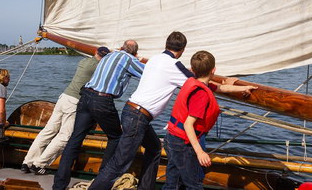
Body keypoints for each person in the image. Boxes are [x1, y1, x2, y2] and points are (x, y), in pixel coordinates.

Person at [89, 31, 195, 190]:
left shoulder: (154, 59)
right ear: (182, 50)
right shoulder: (174, 65)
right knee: (120, 163)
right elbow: (196, 83)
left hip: (132, 112)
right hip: (138, 117)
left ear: (166, 45)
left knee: (154, 148)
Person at [52, 40, 145, 190]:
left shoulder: (109, 55)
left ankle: (58, 185)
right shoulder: (129, 59)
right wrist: (137, 60)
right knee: (116, 137)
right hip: (102, 100)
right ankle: (102, 182)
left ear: (121, 48)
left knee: (75, 139)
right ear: (134, 53)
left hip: (86, 96)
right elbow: (147, 73)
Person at [162, 51, 257, 189]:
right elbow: (188, 124)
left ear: (193, 70)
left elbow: (221, 87)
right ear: (214, 70)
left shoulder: (193, 82)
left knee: (173, 181)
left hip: (172, 137)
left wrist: (243, 87)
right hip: (183, 142)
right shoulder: (201, 94)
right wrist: (200, 152)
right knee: (193, 184)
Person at [20, 46, 110, 175]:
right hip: (74, 102)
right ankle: (39, 164)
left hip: (64, 97)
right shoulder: (99, 68)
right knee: (64, 136)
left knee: (48, 131)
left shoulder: (84, 62)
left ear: (96, 52)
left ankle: (27, 162)